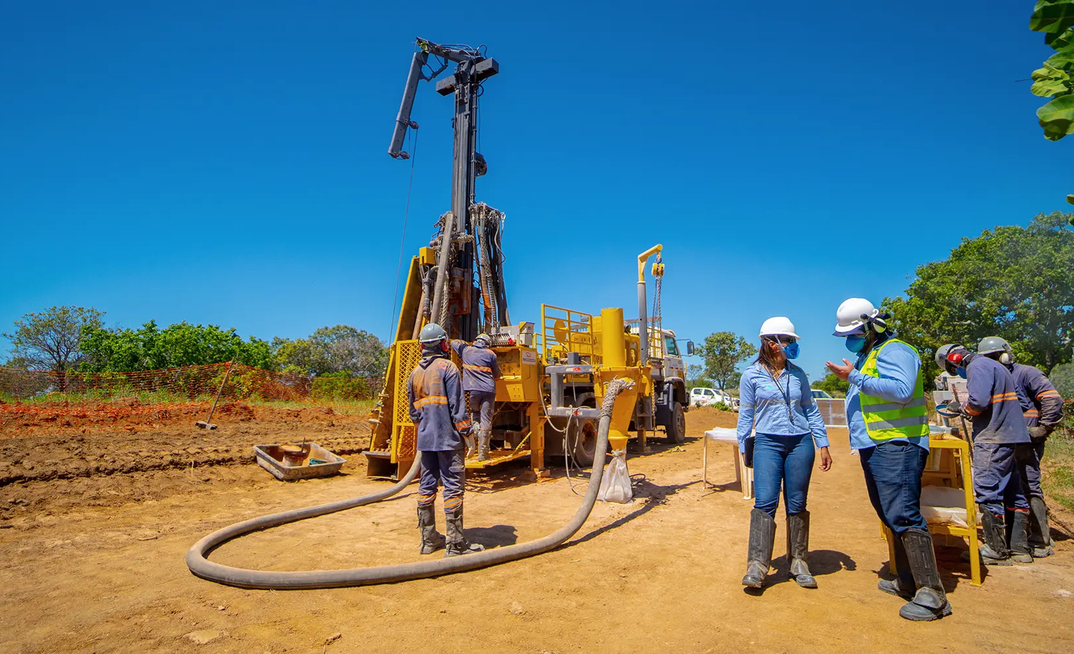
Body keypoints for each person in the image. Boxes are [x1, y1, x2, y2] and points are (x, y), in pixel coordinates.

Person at [826, 298, 951, 622]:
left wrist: (854, 378)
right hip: (878, 446)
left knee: (903, 513)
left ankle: (932, 593)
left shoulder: (895, 350)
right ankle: (908, 581)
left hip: (897, 445)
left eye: (852, 333)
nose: (849, 340)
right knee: (889, 512)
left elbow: (902, 389)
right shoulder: (870, 356)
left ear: (869, 327)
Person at [737, 317, 832, 591]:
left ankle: (798, 561)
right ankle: (757, 565)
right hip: (767, 443)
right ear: (771, 343)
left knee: (797, 502)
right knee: (765, 502)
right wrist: (744, 445)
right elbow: (746, 415)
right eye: (787, 341)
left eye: (791, 341)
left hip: (800, 443)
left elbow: (811, 410)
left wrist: (822, 442)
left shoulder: (799, 374)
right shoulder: (750, 376)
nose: (791, 345)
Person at [936, 343, 1033, 566]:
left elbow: (978, 402)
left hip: (994, 437)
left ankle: (996, 549)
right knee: (1012, 491)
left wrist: (963, 409)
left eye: (953, 368)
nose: (957, 373)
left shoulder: (976, 366)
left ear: (954, 359)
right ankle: (1019, 549)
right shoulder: (994, 365)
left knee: (987, 489)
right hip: (1012, 435)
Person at [977, 336, 1064, 557]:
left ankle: (1040, 540)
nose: (992, 361)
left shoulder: (1026, 373)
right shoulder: (993, 375)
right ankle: (1017, 541)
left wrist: (1043, 428)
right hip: (1007, 439)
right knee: (1010, 486)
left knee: (1028, 485)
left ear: (1005, 355)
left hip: (1027, 438)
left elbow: (1052, 399)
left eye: (995, 356)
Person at [408, 323, 484, 557]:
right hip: (448, 442)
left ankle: (428, 540)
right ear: (442, 344)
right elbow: (458, 409)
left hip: (426, 441)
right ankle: (455, 544)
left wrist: (427, 429)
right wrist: (468, 434)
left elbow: (413, 414)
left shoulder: (414, 374)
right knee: (453, 488)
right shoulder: (448, 368)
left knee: (426, 487)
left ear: (422, 346)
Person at [451, 333, 501, 461]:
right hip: (489, 391)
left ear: (475, 341)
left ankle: (477, 432)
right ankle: (483, 453)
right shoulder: (491, 354)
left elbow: (453, 342)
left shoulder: (466, 351)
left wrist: (465, 343)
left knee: (475, 412)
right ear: (487, 344)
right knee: (486, 419)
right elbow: (497, 375)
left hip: (473, 390)